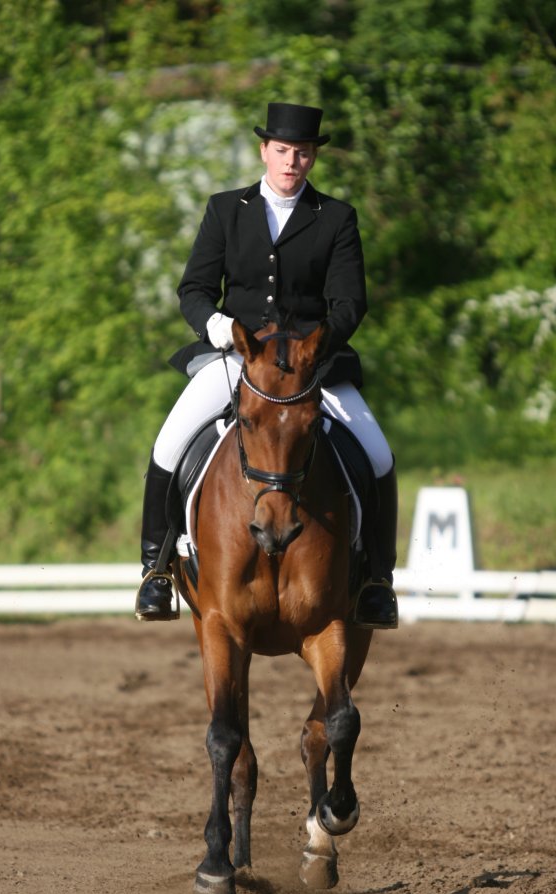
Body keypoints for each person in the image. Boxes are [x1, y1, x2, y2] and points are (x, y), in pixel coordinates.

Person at [137, 102, 398, 628]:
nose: (291, 162)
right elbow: (194, 289)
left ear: (312, 158)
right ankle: (156, 571)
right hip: (239, 358)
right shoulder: (225, 209)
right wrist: (217, 327)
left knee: (378, 455)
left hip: (309, 365)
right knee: (168, 444)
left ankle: (376, 582)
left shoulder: (337, 218)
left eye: (301, 153)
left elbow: (350, 303)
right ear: (264, 151)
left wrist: (315, 348)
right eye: (282, 151)